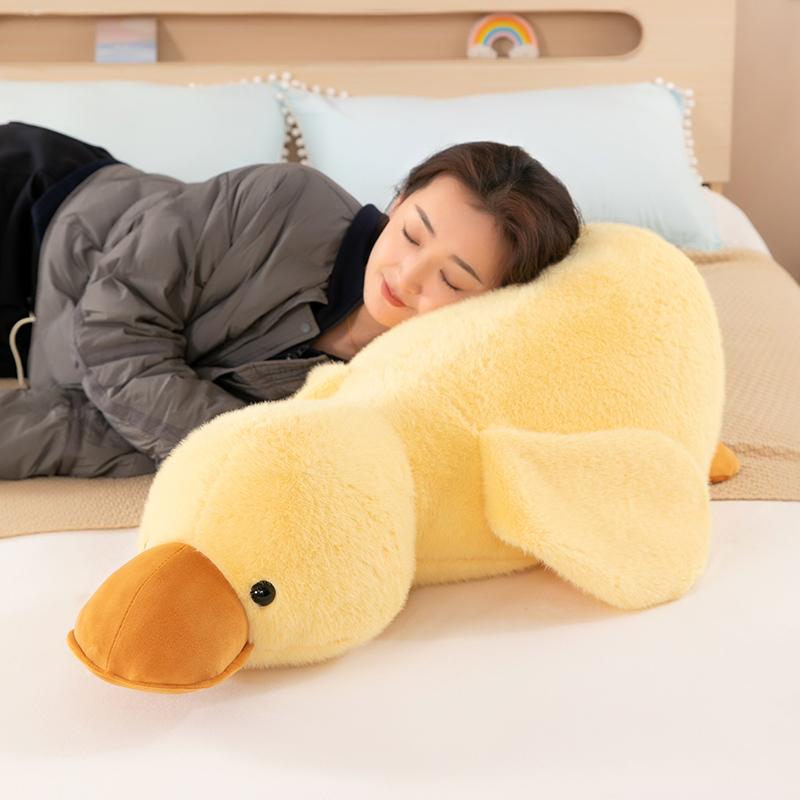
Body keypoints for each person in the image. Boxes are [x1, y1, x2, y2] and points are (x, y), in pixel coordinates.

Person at [0, 122, 580, 480]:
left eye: (451, 281)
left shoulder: (387, 396)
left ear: (492, 305)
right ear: (399, 200)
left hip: (29, 339)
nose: (406, 279)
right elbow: (114, 331)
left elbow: (126, 424)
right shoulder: (284, 201)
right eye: (410, 234)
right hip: (35, 208)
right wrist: (247, 449)